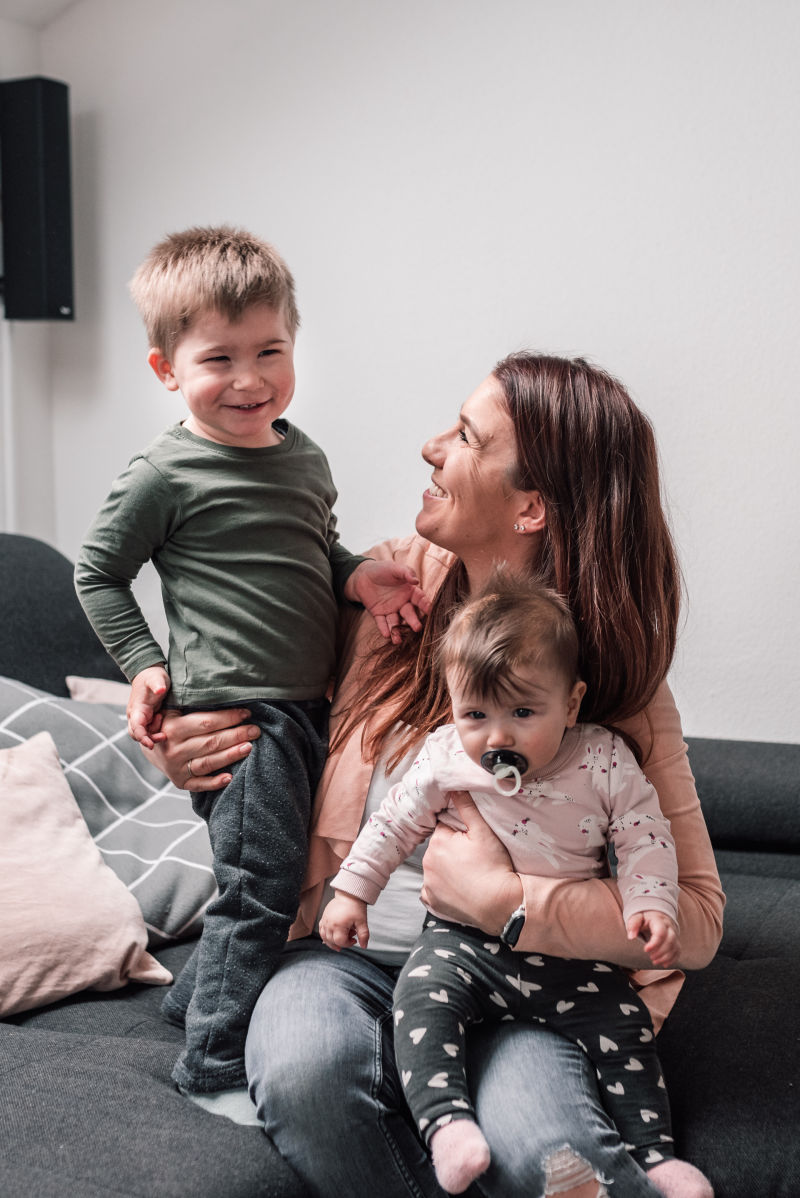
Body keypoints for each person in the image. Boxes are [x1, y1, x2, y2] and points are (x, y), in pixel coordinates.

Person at [142, 353, 723, 1198]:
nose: (429, 447)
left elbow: (698, 920)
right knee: (309, 1075)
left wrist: (506, 904)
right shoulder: (382, 591)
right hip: (341, 956)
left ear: (530, 507)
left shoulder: (614, 682)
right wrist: (181, 739)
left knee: (547, 1153)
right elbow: (245, 689)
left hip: (529, 978)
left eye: (463, 436)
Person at [74, 226, 429, 1108]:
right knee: (262, 886)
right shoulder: (165, 474)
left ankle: (193, 1002)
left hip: (309, 708)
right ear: (166, 370)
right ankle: (210, 1065)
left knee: (270, 879)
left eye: (269, 350)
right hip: (236, 717)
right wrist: (145, 665)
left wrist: (358, 577)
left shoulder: (303, 457)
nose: (249, 379)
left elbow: (314, 550)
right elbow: (97, 571)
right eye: (217, 359)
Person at [320, 576, 710, 1197]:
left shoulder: (602, 759)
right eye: (475, 714)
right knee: (421, 995)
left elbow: (645, 836)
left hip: (568, 955)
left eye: (523, 714)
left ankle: (655, 1157)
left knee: (623, 1022)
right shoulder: (448, 754)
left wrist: (651, 905)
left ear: (573, 704)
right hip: (463, 943)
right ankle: (447, 1124)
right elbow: (392, 823)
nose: (497, 737)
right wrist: (351, 893)